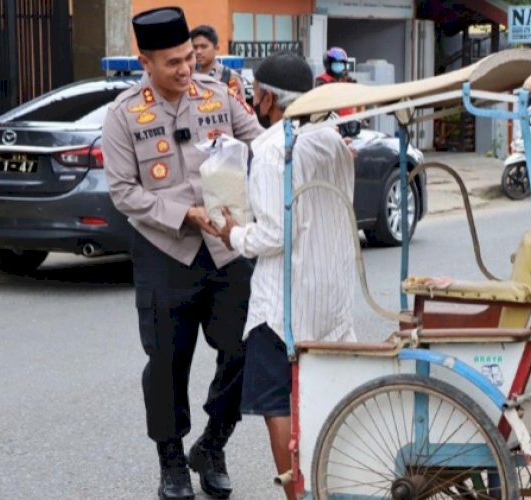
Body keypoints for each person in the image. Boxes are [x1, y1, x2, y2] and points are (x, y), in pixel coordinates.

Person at [101, 7, 263, 500]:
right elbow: (123, 192)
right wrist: (183, 214)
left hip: (225, 247)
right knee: (167, 363)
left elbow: (261, 141)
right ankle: (171, 461)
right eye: (172, 62)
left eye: (189, 58)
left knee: (246, 349)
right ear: (144, 61)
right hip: (164, 249)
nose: (185, 69)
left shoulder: (217, 95)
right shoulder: (124, 115)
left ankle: (212, 445)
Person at [214, 51, 357, 500]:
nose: (254, 99)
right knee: (322, 393)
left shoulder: (273, 148)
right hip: (331, 293)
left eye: (256, 92)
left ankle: (297, 494)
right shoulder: (331, 139)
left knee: (278, 402)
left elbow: (274, 234)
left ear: (268, 96)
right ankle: (327, 482)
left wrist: (232, 232)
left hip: (285, 302)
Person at [191, 24, 246, 101]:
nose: (198, 51)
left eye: (203, 47)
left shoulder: (229, 77)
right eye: (195, 47)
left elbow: (240, 109)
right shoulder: (190, 77)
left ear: (216, 48)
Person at [315, 46, 356, 117]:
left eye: (341, 64)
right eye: (336, 63)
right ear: (328, 64)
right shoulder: (321, 81)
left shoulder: (347, 80)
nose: (339, 66)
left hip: (348, 120)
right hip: (331, 121)